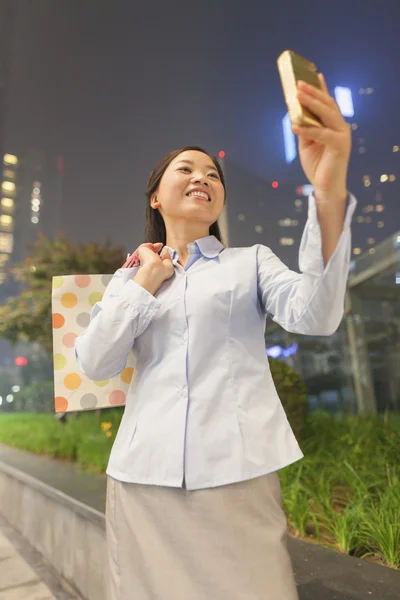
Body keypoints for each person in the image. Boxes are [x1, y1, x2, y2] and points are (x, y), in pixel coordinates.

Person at [75, 75, 354, 600]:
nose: (203, 177)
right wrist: (142, 285)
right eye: (186, 169)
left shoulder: (250, 263)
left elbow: (317, 315)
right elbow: (95, 361)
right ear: (156, 196)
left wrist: (327, 189)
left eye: (213, 174)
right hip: (142, 477)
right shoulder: (130, 276)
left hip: (235, 475)